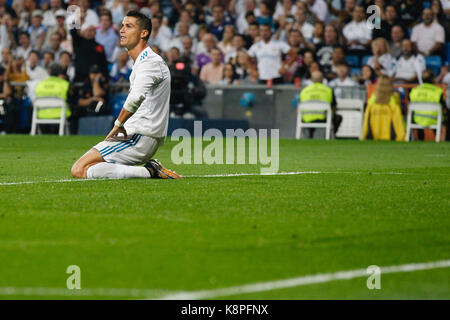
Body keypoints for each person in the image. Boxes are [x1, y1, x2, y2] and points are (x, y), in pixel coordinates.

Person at [71, 10, 181, 180]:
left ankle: (150, 171)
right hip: (138, 135)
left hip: (139, 136)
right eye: (122, 26)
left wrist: (119, 123)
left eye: (129, 26)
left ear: (144, 33)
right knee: (87, 169)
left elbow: (136, 97)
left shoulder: (150, 62)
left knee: (79, 169)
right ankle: (150, 170)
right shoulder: (142, 62)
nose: (122, 30)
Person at [298, 70, 341, 138]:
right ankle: (330, 136)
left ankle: (309, 136)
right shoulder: (328, 90)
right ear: (322, 79)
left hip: (306, 118)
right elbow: (334, 106)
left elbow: (299, 105)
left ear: (311, 80)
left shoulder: (304, 90)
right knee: (338, 117)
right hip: (323, 118)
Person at [362, 75, 405, 141]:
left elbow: (367, 116)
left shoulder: (373, 97)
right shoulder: (394, 97)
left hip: (373, 133)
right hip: (391, 134)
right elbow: (397, 118)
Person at [409, 70, 446, 140]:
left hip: (417, 119)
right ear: (433, 79)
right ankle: (438, 139)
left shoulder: (414, 90)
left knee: (416, 116)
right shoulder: (438, 91)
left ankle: (420, 140)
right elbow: (443, 106)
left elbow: (410, 103)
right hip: (434, 119)